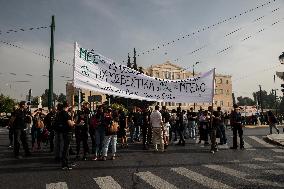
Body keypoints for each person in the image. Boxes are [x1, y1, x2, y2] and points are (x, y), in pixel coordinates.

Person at [54, 102, 75, 170]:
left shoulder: (60, 113)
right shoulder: (65, 114)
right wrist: (74, 122)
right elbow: (70, 124)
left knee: (65, 148)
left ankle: (65, 162)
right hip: (67, 132)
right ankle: (65, 164)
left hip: (63, 132)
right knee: (66, 149)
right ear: (67, 106)